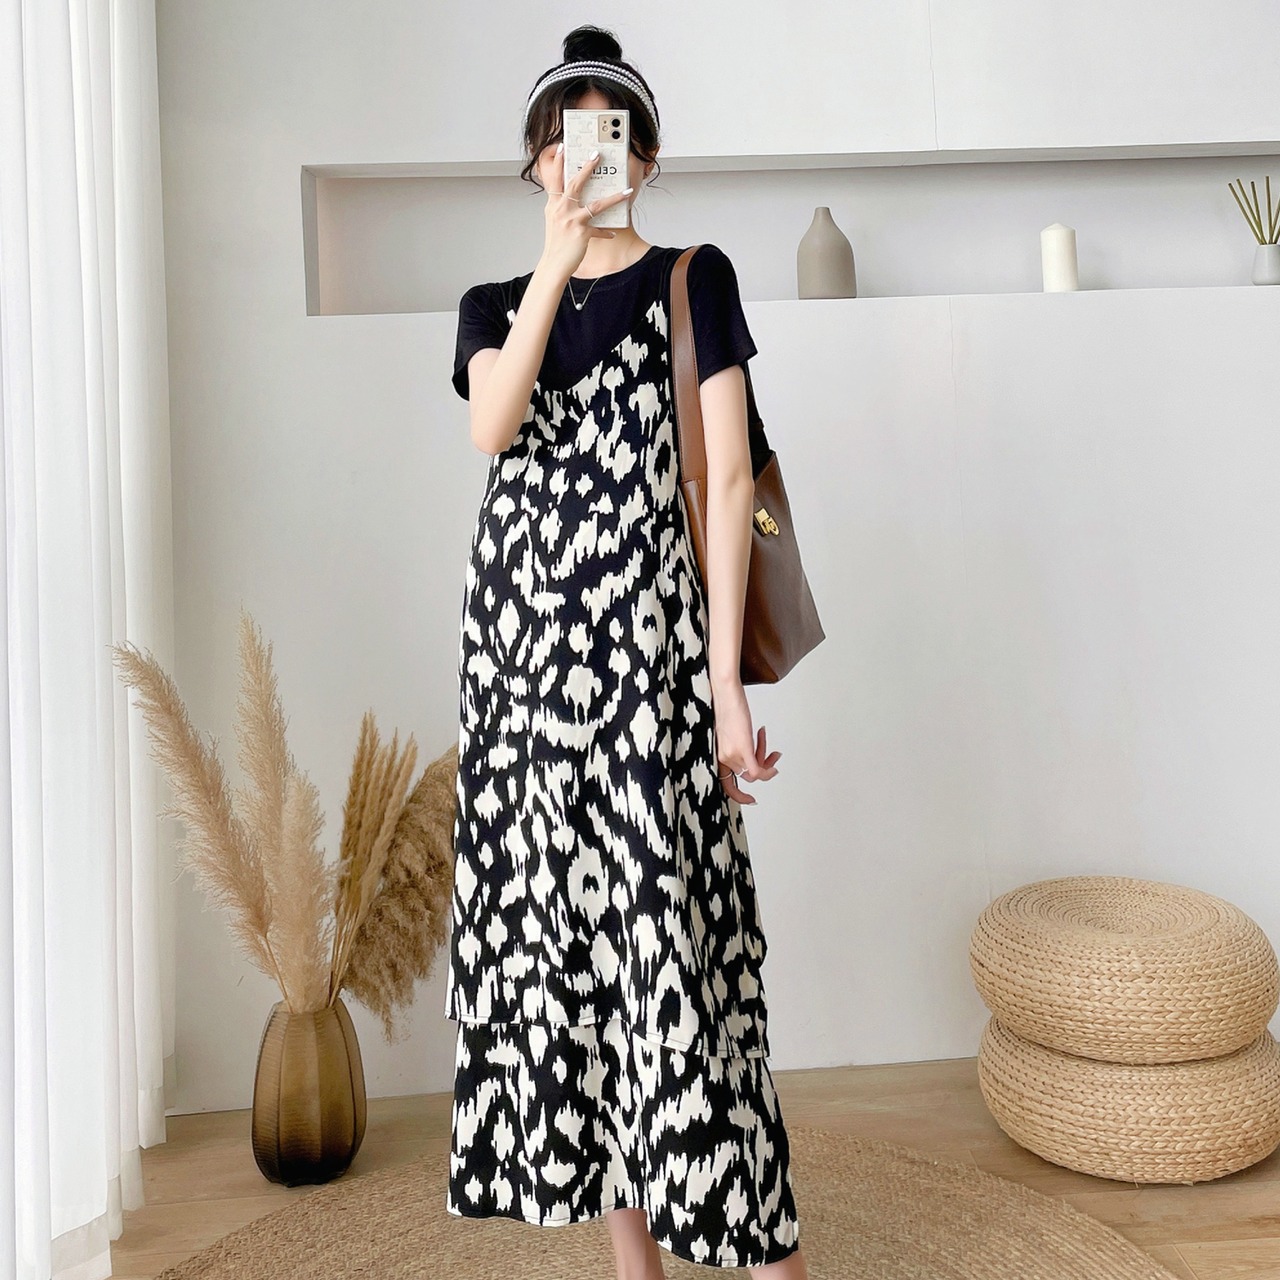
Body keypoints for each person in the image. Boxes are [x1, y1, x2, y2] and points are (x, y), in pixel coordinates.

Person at [446, 23, 809, 1280]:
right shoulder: (492, 306)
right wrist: (554, 265)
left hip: (647, 674)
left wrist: (721, 686)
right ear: (535, 161)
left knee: (683, 962)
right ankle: (632, 1264)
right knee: (577, 967)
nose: (580, 157)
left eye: (603, 135)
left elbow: (725, 489)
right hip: (520, 683)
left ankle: (769, 1257)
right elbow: (493, 427)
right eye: (559, 138)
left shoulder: (693, 281)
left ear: (642, 157)